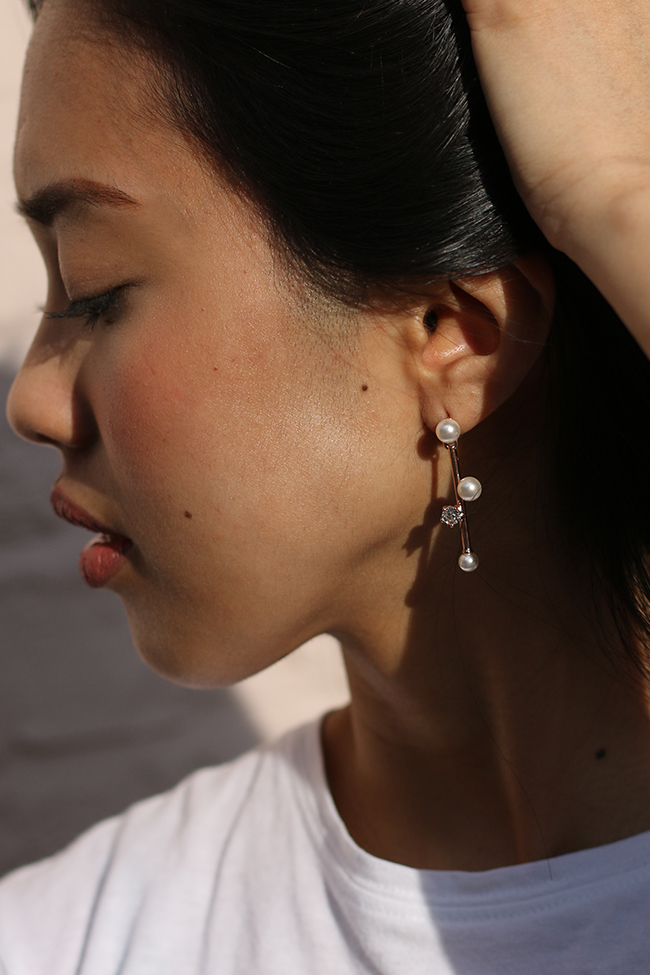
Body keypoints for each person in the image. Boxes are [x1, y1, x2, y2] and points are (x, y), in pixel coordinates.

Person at [1, 0, 650, 971]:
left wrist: (617, 197)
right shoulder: (71, 940)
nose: (31, 403)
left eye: (93, 286)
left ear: (450, 331)